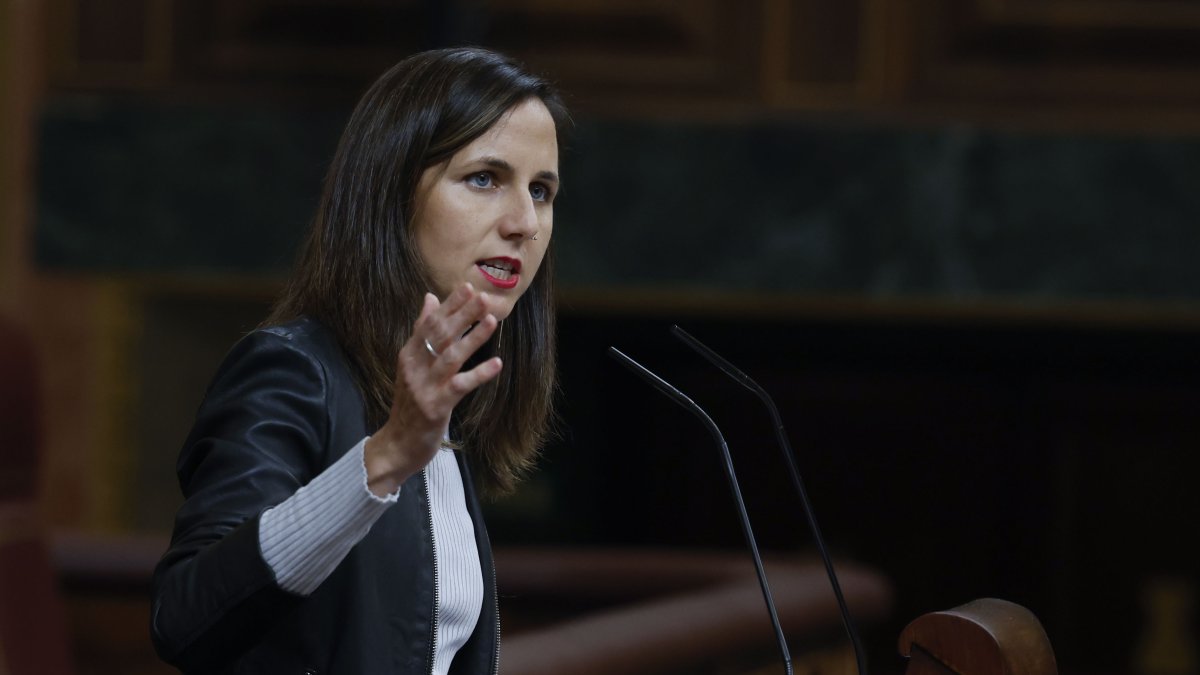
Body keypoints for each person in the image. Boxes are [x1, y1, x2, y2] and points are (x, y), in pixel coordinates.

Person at [150, 47, 569, 674]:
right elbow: (184, 619)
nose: (524, 223)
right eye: (484, 178)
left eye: (541, 190)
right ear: (392, 193)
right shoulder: (292, 372)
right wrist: (385, 458)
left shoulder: (451, 395)